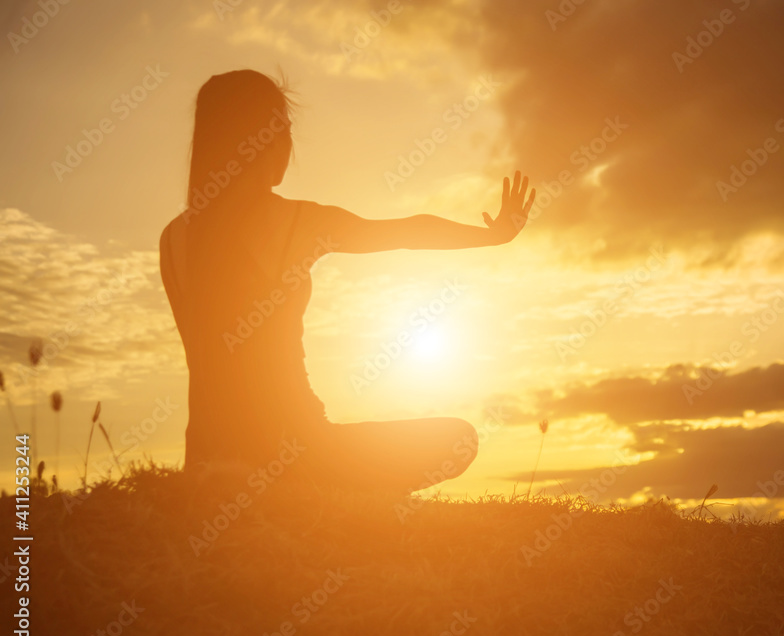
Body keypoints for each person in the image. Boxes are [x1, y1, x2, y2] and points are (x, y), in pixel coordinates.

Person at [159, 69, 535, 494]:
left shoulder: (174, 238)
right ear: (262, 140)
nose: (288, 145)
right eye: (282, 129)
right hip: (298, 453)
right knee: (458, 439)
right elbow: (407, 231)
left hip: (208, 463)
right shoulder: (295, 222)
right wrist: (491, 236)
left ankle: (317, 499)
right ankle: (338, 501)